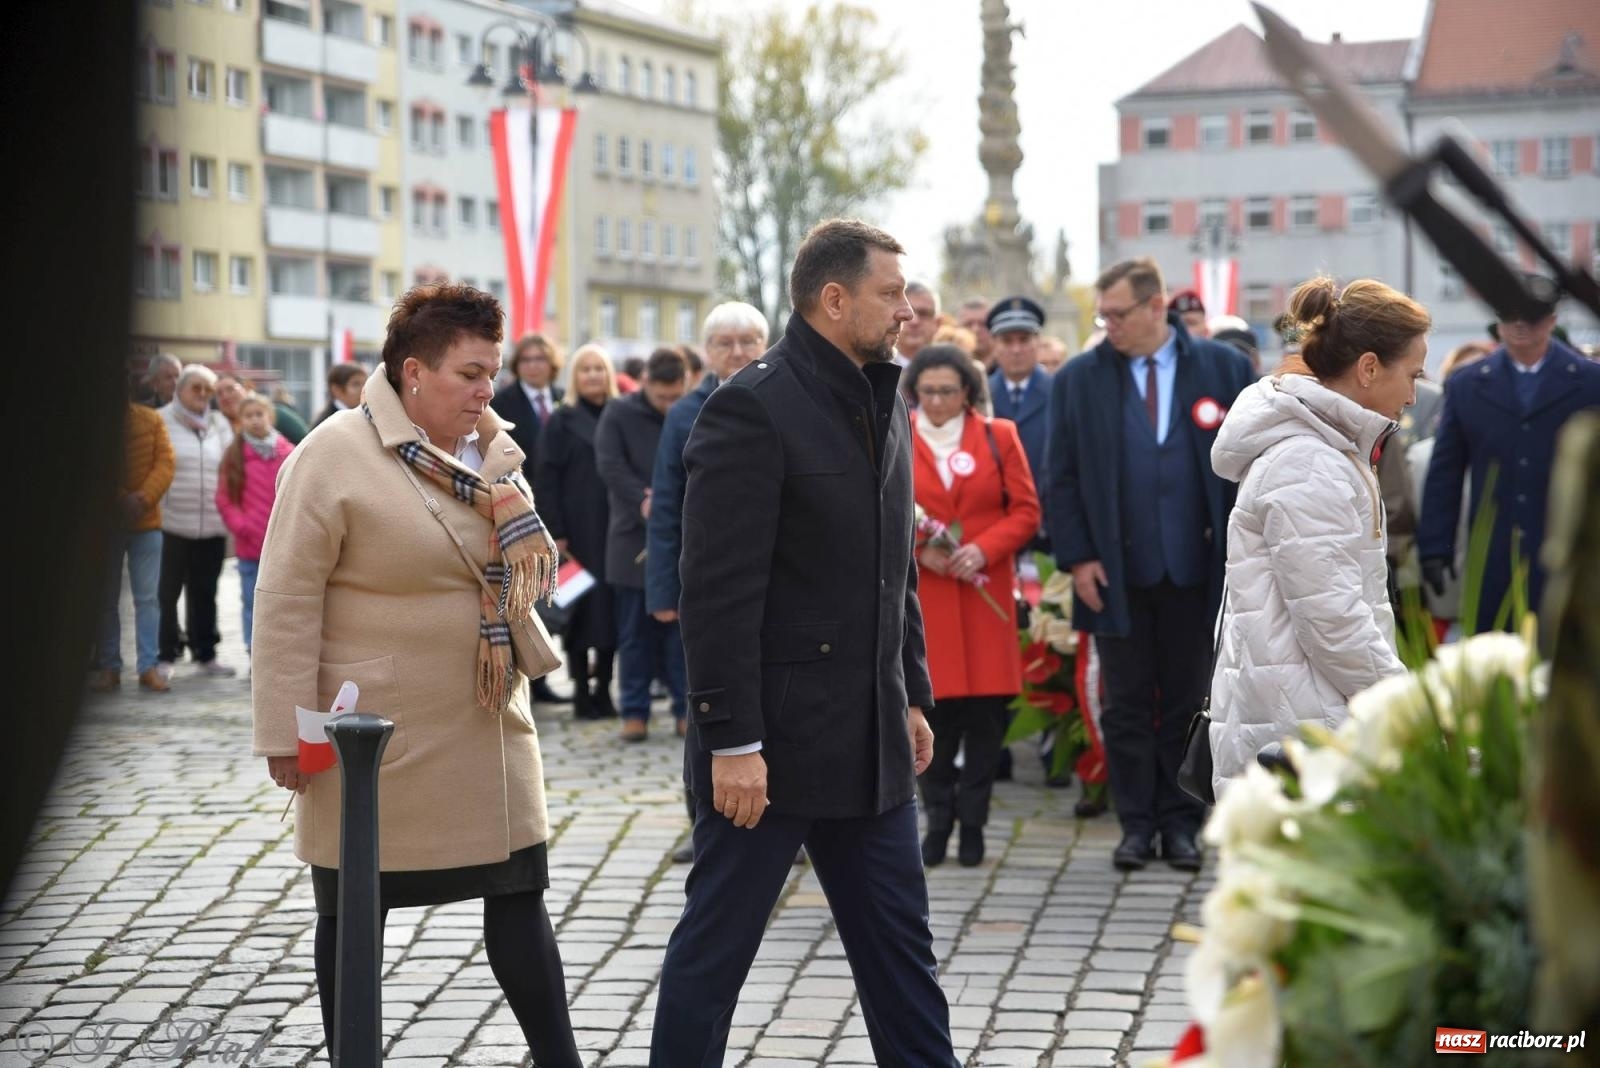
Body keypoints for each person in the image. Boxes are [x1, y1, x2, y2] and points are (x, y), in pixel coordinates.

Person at [250, 282, 581, 1067]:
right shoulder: (331, 453)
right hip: (373, 732)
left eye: (491, 370)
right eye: (469, 372)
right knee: (353, 906)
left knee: (518, 893)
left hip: (487, 715)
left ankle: (559, 1059)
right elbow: (286, 598)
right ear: (413, 374)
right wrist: (284, 733)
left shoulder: (495, 448)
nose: (485, 389)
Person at [651, 218, 957, 1068]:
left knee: (905, 964)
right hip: (770, 752)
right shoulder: (751, 404)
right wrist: (733, 741)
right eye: (890, 293)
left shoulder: (882, 391)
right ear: (834, 298)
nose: (906, 310)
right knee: (713, 961)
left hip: (873, 741)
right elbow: (714, 593)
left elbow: (893, 567)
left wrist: (914, 692)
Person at [1046, 257, 1254, 872]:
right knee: (1127, 704)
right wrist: (1078, 558)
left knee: (1191, 699)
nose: (1106, 324)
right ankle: (1135, 824)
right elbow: (1061, 477)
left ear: (1155, 307)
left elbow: (1246, 471)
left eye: (1117, 313)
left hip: (1196, 569)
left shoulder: (1222, 367)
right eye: (1101, 315)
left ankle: (1182, 823)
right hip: (1115, 570)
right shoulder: (1081, 378)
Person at [1208, 278, 1424, 793]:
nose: (1414, 395)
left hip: (1303, 710)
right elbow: (1334, 621)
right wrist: (1409, 706)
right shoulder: (1309, 461)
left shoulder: (1325, 449)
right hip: (1301, 726)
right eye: (1412, 376)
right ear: (1369, 368)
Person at [642, 301, 769, 862]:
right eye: (725, 342)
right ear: (707, 351)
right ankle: (703, 820)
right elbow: (666, 503)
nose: (737, 351)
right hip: (702, 584)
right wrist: (664, 590)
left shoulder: (785, 400)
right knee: (704, 705)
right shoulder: (685, 413)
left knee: (772, 703)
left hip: (770, 584)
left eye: (748, 340)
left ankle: (778, 822)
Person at [906, 345, 1040, 868]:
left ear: (968, 392)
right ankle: (937, 818)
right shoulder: (898, 435)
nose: (937, 401)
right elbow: (879, 512)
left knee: (986, 721)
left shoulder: (997, 434)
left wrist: (985, 547)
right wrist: (921, 552)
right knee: (932, 716)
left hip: (987, 600)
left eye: (948, 391)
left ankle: (976, 822)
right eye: (927, 391)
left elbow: (1026, 510)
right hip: (929, 600)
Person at [1419, 279, 1600, 633]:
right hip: (1493, 553)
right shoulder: (1466, 384)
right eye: (1509, 314)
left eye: (1531, 316)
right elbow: (1447, 470)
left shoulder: (1590, 381)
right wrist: (1434, 546)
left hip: (1568, 553)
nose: (1519, 325)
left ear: (1550, 321)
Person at [595, 348, 690, 741]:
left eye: (675, 397)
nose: (669, 406)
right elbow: (609, 466)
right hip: (632, 538)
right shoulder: (618, 413)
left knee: (681, 634)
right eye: (661, 397)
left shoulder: (692, 412)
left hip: (680, 538)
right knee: (634, 633)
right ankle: (635, 712)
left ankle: (687, 710)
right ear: (646, 382)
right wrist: (643, 499)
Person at [535, 345, 621, 722]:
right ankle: (583, 693)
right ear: (574, 377)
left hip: (616, 529)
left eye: (598, 369)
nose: (591, 376)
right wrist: (556, 530)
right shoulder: (562, 419)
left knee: (611, 612)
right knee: (580, 612)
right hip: (576, 530)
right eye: (584, 369)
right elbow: (547, 479)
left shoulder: (621, 415)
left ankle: (605, 687)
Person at [491, 334, 570, 705]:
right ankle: (526, 675)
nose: (534, 365)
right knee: (523, 593)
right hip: (520, 507)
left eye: (541, 358)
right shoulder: (503, 403)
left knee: (551, 596)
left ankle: (543, 674)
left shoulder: (562, 399)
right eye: (527, 359)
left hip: (560, 508)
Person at [90, 391, 176, 694]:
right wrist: (118, 499)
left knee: (148, 598)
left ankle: (148, 666)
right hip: (107, 523)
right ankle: (109, 665)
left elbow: (165, 461)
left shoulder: (150, 419)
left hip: (146, 521)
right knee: (106, 598)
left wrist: (143, 497)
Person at [157, 364, 236, 679]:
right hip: (171, 522)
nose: (202, 394)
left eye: (208, 389)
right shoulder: (162, 420)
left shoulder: (219, 424)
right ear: (180, 389)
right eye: (196, 387)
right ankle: (164, 655)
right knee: (166, 592)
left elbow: (231, 466)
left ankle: (206, 654)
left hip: (212, 523)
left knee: (205, 591)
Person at [215, 392, 294, 662]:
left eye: (259, 414)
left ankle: (281, 652)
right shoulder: (234, 456)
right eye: (248, 416)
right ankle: (254, 653)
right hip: (250, 546)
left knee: (284, 603)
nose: (255, 420)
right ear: (241, 420)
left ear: (269, 417)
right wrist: (241, 526)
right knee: (252, 602)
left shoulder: (288, 451)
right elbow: (224, 498)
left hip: (283, 544)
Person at [987, 297, 1052, 539]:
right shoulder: (979, 395)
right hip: (995, 527)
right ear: (994, 345)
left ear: (1038, 343)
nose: (1016, 349)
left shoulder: (1060, 392)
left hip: (1049, 527)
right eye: (1006, 340)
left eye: (1024, 340)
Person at [894, 280, 941, 366]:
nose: (914, 322)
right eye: (906, 313)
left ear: (937, 323)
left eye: (924, 313)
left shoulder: (957, 372)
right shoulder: (869, 370)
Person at [312, 363, 369, 428]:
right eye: (355, 384)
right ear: (336, 390)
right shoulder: (325, 423)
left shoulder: (365, 416)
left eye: (366, 383)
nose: (364, 389)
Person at [958, 296, 996, 369]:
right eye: (968, 324)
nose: (975, 330)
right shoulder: (950, 368)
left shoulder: (1008, 368)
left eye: (982, 324)